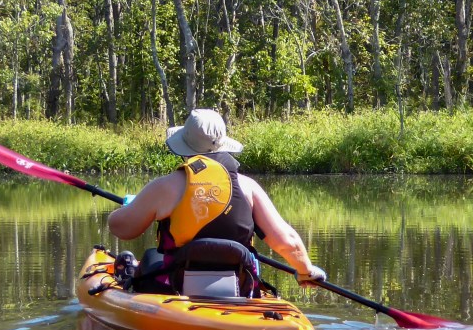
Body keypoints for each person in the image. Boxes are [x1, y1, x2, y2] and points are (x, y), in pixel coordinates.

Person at [108, 108, 326, 295]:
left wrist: (132, 206)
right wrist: (306, 270)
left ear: (186, 147)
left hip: (176, 288)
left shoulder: (165, 186)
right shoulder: (248, 187)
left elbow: (121, 228)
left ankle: (128, 272)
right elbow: (286, 241)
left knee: (150, 257)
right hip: (239, 288)